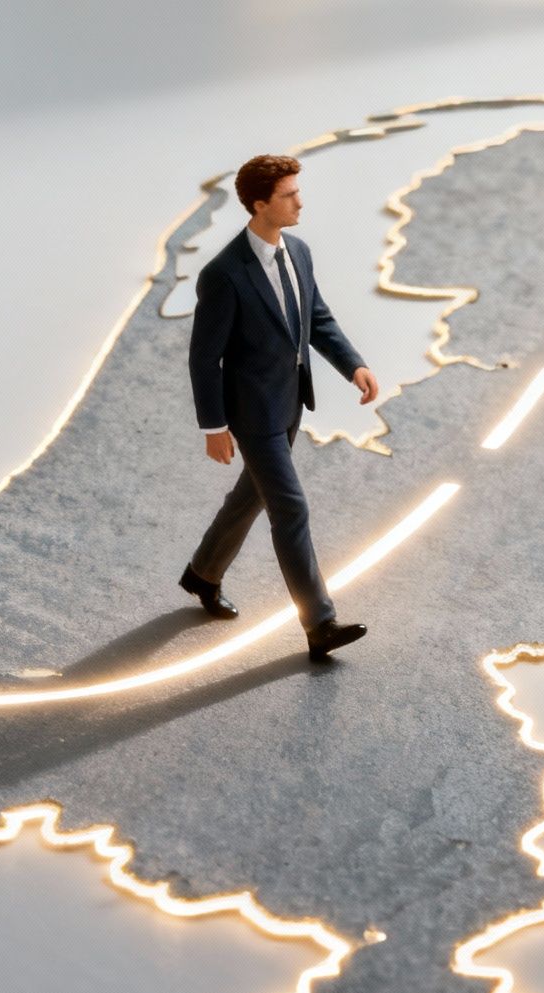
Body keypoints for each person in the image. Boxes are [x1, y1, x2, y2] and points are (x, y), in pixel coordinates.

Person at [180, 153, 380, 662]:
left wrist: (351, 364)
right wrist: (215, 426)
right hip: (251, 415)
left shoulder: (300, 252)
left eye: (297, 191)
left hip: (290, 403)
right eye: (289, 195)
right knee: (290, 507)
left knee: (252, 496)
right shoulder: (224, 275)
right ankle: (320, 624)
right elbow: (205, 359)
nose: (299, 201)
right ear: (259, 204)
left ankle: (202, 573)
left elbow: (317, 318)